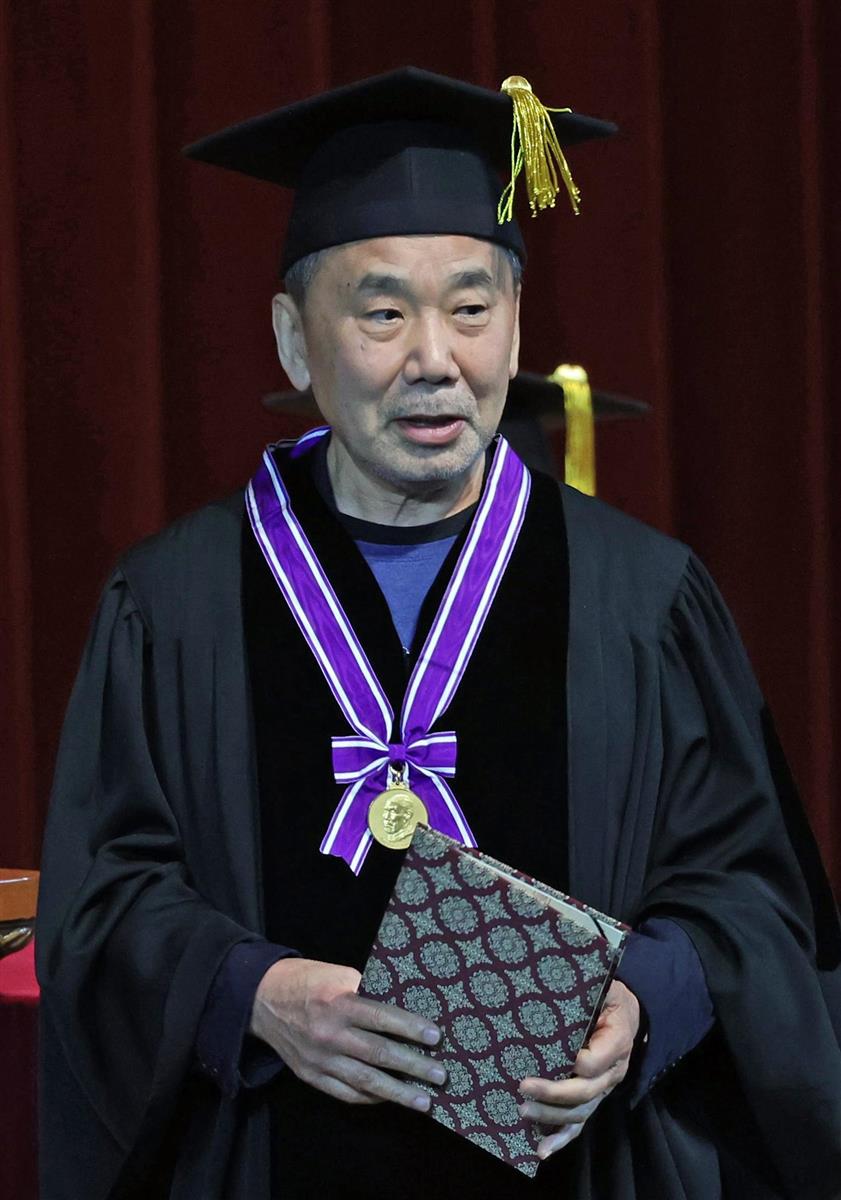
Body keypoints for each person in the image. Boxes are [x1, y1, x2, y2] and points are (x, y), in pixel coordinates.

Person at [36, 67, 840, 1200]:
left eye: (470, 309)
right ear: (293, 341)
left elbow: (752, 894)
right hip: (274, 1161)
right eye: (382, 313)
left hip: (578, 1165)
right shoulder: (175, 607)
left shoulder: (640, 598)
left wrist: (642, 999)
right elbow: (103, 900)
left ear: (513, 326)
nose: (435, 358)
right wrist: (247, 992)